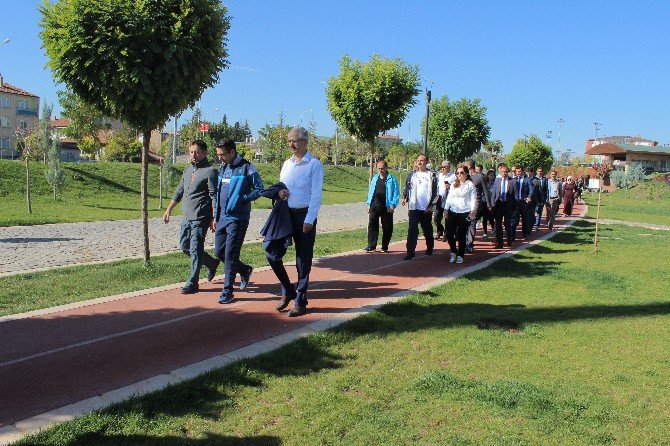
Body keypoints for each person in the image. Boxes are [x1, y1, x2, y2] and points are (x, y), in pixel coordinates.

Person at [270, 127, 324, 317]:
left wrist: (310, 219)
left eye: (295, 140)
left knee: (302, 259)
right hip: (285, 215)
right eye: (289, 141)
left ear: (305, 142)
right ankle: (288, 289)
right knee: (272, 252)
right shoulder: (287, 164)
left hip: (304, 216)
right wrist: (279, 192)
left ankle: (300, 300)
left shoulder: (314, 165)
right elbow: (281, 185)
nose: (291, 144)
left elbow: (317, 194)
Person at [163, 140, 219, 294]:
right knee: (184, 246)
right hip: (186, 216)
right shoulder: (188, 169)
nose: (194, 155)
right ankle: (211, 263)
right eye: (191, 151)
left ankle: (192, 282)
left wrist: (214, 218)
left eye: (197, 152)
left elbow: (214, 196)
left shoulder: (210, 171)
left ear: (205, 153)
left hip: (200, 217)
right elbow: (179, 191)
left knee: (195, 248)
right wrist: (169, 210)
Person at [212, 139, 264, 304]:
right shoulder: (223, 167)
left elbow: (259, 189)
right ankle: (244, 269)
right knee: (219, 252)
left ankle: (227, 291)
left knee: (230, 255)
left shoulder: (247, 167)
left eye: (223, 155)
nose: (220, 158)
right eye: (218, 155)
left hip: (238, 218)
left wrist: (243, 199)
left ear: (232, 152)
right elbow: (220, 192)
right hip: (221, 218)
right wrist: (215, 216)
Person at [401, 153, 437, 261]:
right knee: (412, 230)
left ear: (426, 162)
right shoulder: (412, 175)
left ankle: (430, 247)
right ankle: (410, 252)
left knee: (427, 230)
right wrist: (405, 197)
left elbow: (436, 193)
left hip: (426, 209)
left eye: (422, 160)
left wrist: (431, 206)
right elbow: (407, 187)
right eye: (418, 160)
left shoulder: (431, 175)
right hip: (414, 208)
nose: (420, 162)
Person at [365, 160, 400, 253]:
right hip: (374, 205)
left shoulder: (391, 179)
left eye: (382, 168)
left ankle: (385, 246)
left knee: (387, 227)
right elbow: (371, 191)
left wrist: (393, 205)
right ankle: (371, 245)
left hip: (387, 207)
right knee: (372, 225)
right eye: (379, 168)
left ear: (386, 168)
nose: (380, 170)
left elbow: (396, 193)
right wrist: (369, 204)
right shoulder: (375, 178)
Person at [444, 165, 477, 264]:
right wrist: (446, 209)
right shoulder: (454, 184)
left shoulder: (470, 185)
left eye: (461, 173)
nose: (459, 175)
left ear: (466, 174)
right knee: (450, 234)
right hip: (453, 212)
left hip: (464, 213)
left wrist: (472, 211)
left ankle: (460, 255)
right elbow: (450, 197)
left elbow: (473, 199)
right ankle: (453, 252)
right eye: (457, 173)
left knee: (461, 235)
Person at [464, 159, 492, 251]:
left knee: (472, 221)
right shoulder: (465, 176)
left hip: (476, 203)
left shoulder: (480, 177)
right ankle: (465, 241)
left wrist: (488, 204)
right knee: (465, 222)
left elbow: (486, 191)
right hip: (465, 203)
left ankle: (469, 243)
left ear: (469, 166)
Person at [490, 163, 518, 248]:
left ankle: (509, 240)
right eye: (502, 172)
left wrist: (515, 208)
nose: (504, 173)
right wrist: (492, 205)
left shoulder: (512, 181)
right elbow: (494, 194)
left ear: (508, 172)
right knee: (498, 224)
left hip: (508, 205)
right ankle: (500, 243)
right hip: (498, 205)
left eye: (506, 172)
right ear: (500, 172)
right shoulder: (497, 181)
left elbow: (515, 196)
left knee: (507, 224)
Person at [510, 165, 535, 241]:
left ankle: (525, 234)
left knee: (525, 219)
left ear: (522, 171)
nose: (518, 173)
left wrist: (529, 197)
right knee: (514, 220)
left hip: (524, 202)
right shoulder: (513, 180)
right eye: (516, 171)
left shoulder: (527, 179)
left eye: (519, 171)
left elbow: (531, 189)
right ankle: (512, 236)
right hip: (516, 202)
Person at [435, 161, 455, 239]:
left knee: (447, 217)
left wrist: (450, 186)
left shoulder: (453, 176)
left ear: (448, 167)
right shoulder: (439, 175)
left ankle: (446, 234)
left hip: (448, 198)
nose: (442, 168)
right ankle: (440, 230)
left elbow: (456, 186)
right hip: (439, 198)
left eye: (444, 167)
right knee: (436, 217)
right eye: (442, 167)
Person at [479, 169, 497, 239]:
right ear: (488, 175)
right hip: (484, 202)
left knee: (491, 217)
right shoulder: (485, 182)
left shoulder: (495, 183)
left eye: (493, 175)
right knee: (485, 217)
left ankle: (493, 228)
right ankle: (485, 232)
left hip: (492, 202)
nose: (492, 176)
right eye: (491, 175)